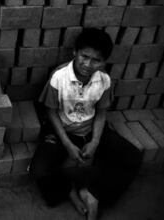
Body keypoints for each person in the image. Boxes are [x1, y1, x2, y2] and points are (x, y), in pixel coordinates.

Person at [30, 28, 142, 220]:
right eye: (84, 56)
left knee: (132, 157)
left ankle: (93, 193)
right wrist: (67, 144)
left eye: (96, 60)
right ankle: (69, 192)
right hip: (61, 130)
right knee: (39, 170)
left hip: (90, 130)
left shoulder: (104, 80)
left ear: (104, 61)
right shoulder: (60, 76)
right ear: (75, 52)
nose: (88, 64)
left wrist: (96, 141)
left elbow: (101, 112)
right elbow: (51, 111)